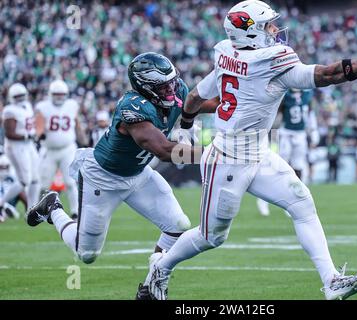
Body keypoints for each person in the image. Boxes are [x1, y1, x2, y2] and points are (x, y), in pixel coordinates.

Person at [147, 0, 357, 300]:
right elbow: (327, 75)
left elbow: (198, 94)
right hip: (228, 159)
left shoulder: (225, 52)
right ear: (248, 33)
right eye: (266, 25)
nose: (274, 29)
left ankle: (331, 281)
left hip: (258, 153)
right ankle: (161, 267)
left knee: (301, 203)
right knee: (211, 237)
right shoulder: (271, 58)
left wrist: (185, 123)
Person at [25, 52, 214, 299]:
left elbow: (199, 102)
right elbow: (164, 151)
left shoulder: (175, 90)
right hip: (103, 178)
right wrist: (213, 153)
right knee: (86, 254)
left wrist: (238, 100)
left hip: (138, 174)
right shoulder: (132, 108)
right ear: (145, 87)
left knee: (177, 226)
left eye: (172, 81)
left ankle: (150, 286)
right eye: (163, 85)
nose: (172, 88)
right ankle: (53, 208)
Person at [256, 88, 319, 216]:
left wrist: (313, 131)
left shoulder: (307, 95)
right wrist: (270, 133)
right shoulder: (285, 95)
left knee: (299, 166)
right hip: (286, 133)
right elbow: (276, 114)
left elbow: (310, 114)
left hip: (300, 134)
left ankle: (295, 200)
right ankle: (263, 198)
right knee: (279, 167)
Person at [35, 80, 86, 219]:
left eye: (61, 94)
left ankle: (75, 212)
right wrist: (39, 134)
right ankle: (40, 211)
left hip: (67, 149)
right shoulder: (43, 107)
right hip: (49, 150)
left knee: (71, 182)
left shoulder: (71, 105)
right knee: (44, 183)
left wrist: (83, 139)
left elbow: (77, 123)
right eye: (56, 94)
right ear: (51, 94)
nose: (59, 97)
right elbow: (39, 125)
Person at [0, 83, 40, 213]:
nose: (20, 98)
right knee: (24, 180)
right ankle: (1, 202)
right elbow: (9, 133)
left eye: (22, 96)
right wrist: (28, 136)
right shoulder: (9, 110)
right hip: (15, 146)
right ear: (12, 97)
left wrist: (31, 136)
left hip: (27, 144)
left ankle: (32, 211)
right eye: (17, 96)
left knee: (35, 179)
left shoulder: (27, 106)